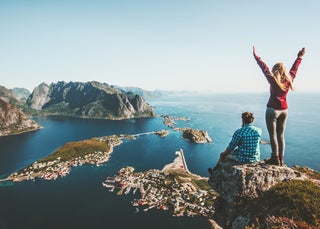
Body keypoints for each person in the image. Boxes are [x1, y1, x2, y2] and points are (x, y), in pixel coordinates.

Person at [253, 46, 305, 166]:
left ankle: (275, 159)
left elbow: (264, 67)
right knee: (281, 136)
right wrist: (300, 57)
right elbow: (295, 69)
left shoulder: (272, 79)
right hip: (284, 110)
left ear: (275, 69)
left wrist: (256, 57)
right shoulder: (289, 79)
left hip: (272, 110)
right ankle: (281, 160)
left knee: (273, 136)